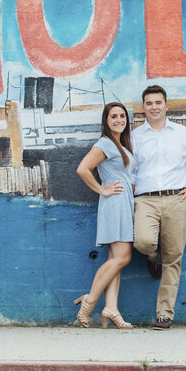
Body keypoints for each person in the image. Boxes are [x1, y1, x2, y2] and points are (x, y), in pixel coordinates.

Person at [132, 85, 186, 330]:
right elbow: (129, 170)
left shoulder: (181, 133)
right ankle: (152, 256)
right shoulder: (135, 137)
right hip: (145, 199)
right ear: (143, 107)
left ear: (166, 106)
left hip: (176, 199)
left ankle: (164, 314)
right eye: (149, 103)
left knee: (174, 257)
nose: (154, 107)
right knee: (144, 241)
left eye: (158, 102)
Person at [72, 102, 136, 329]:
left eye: (122, 116)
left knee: (115, 260)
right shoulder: (106, 143)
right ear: (106, 121)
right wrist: (102, 189)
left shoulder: (120, 145)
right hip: (115, 202)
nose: (119, 120)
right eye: (114, 117)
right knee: (123, 257)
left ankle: (112, 308)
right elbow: (83, 169)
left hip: (124, 203)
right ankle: (89, 301)